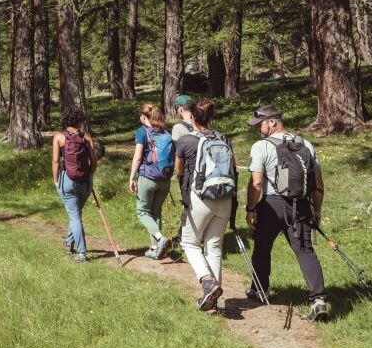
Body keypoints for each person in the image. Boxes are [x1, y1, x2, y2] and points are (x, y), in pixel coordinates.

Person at [245, 105, 329, 322]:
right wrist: (316, 209)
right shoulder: (305, 144)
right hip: (300, 205)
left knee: (262, 247)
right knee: (305, 251)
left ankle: (259, 290)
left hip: (272, 205)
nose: (258, 129)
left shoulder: (261, 147)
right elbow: (318, 184)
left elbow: (256, 182)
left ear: (273, 122)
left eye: (260, 124)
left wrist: (251, 208)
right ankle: (319, 300)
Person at [175, 100, 236, 314]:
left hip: (200, 197)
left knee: (189, 243)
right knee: (214, 247)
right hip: (225, 198)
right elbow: (233, 170)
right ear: (212, 117)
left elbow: (179, 170)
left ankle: (208, 282)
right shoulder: (224, 138)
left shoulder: (185, 140)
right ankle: (213, 303)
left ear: (192, 116)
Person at [52, 106, 99, 263]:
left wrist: (56, 180)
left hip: (67, 181)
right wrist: (90, 176)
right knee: (76, 215)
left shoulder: (59, 138)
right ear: (80, 121)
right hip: (85, 182)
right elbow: (93, 162)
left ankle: (81, 252)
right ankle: (68, 242)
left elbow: (55, 161)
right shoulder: (86, 138)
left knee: (75, 216)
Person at [129, 104, 173, 259]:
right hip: (165, 179)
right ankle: (155, 248)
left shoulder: (142, 131)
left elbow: (138, 156)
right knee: (155, 212)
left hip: (148, 177)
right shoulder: (165, 132)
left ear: (143, 116)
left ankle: (161, 239)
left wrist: (132, 177)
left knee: (142, 212)